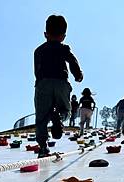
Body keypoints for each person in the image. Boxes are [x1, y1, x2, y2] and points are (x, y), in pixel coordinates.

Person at [34, 15, 83, 158]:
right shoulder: (63, 48)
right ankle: (59, 117)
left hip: (43, 83)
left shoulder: (38, 50)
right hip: (61, 82)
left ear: (45, 34)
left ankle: (43, 147)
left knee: (41, 118)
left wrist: (41, 83)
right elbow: (72, 61)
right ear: (63, 36)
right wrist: (78, 75)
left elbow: (36, 70)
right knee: (66, 111)